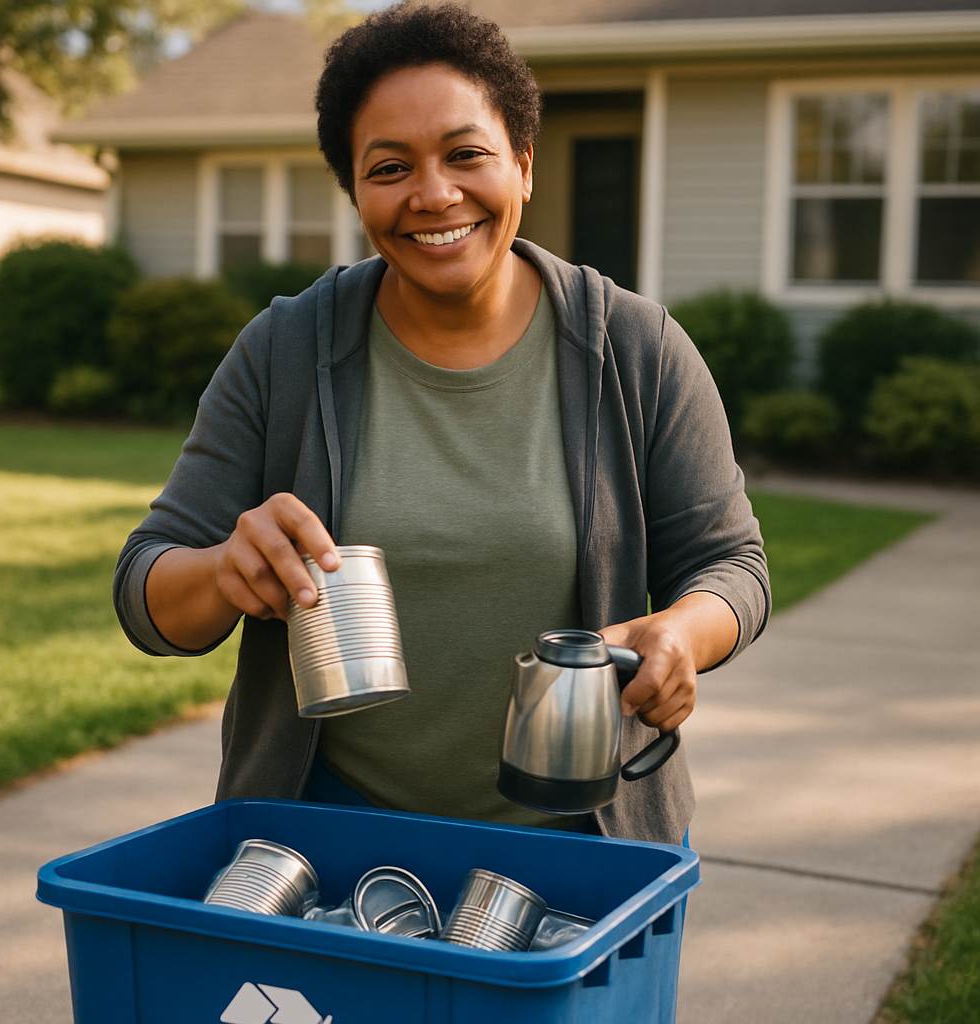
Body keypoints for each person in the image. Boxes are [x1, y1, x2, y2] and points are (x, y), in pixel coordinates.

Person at [114, 1, 770, 846]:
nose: (434, 195)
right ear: (355, 191)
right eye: (390, 169)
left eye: (467, 155)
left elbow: (732, 566)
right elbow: (146, 592)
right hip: (330, 843)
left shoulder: (634, 349)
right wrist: (221, 572)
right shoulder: (283, 350)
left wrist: (683, 632)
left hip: (581, 839)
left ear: (524, 165)